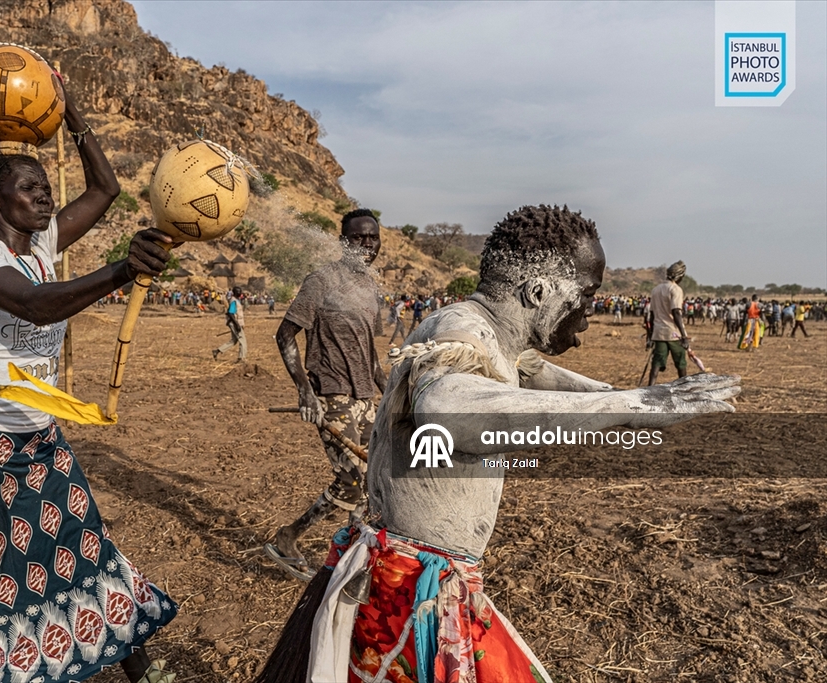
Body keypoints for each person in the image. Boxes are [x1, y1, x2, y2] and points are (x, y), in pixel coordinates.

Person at [255, 204, 741, 683]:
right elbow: (446, 409)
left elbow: (531, 372)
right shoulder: (459, 331)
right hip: (409, 590)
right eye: (586, 298)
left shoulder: (488, 336)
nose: (587, 319)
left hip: (421, 575)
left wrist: (628, 401)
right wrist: (640, 409)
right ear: (538, 291)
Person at [0, 83, 178, 683]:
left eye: (45, 188)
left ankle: (144, 672)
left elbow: (105, 190)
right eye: (28, 188)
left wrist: (71, 113)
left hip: (38, 437)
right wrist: (120, 269)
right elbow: (34, 306)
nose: (43, 197)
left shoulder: (43, 246)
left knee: (89, 556)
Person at [264, 208, 387, 582]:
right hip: (331, 395)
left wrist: (394, 393)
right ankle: (289, 536)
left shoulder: (370, 288)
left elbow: (371, 354)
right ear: (342, 241)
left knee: (371, 482)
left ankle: (354, 557)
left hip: (366, 398)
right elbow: (285, 335)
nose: (367, 244)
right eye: (358, 237)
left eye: (372, 237)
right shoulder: (321, 281)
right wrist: (305, 390)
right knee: (351, 480)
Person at [647, 261, 690, 385]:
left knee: (656, 364)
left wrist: (650, 335)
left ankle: (650, 388)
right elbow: (676, 312)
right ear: (679, 275)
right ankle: (683, 388)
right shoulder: (675, 289)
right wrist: (684, 335)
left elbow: (652, 315)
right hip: (673, 332)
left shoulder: (656, 289)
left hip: (658, 332)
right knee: (681, 364)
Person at [212, 286, 247, 361]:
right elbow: (231, 313)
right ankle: (241, 358)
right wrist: (237, 324)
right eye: (238, 291)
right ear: (234, 293)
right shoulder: (233, 301)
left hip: (235, 322)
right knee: (242, 340)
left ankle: (217, 351)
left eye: (240, 291)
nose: (240, 292)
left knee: (234, 341)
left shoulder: (236, 300)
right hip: (234, 323)